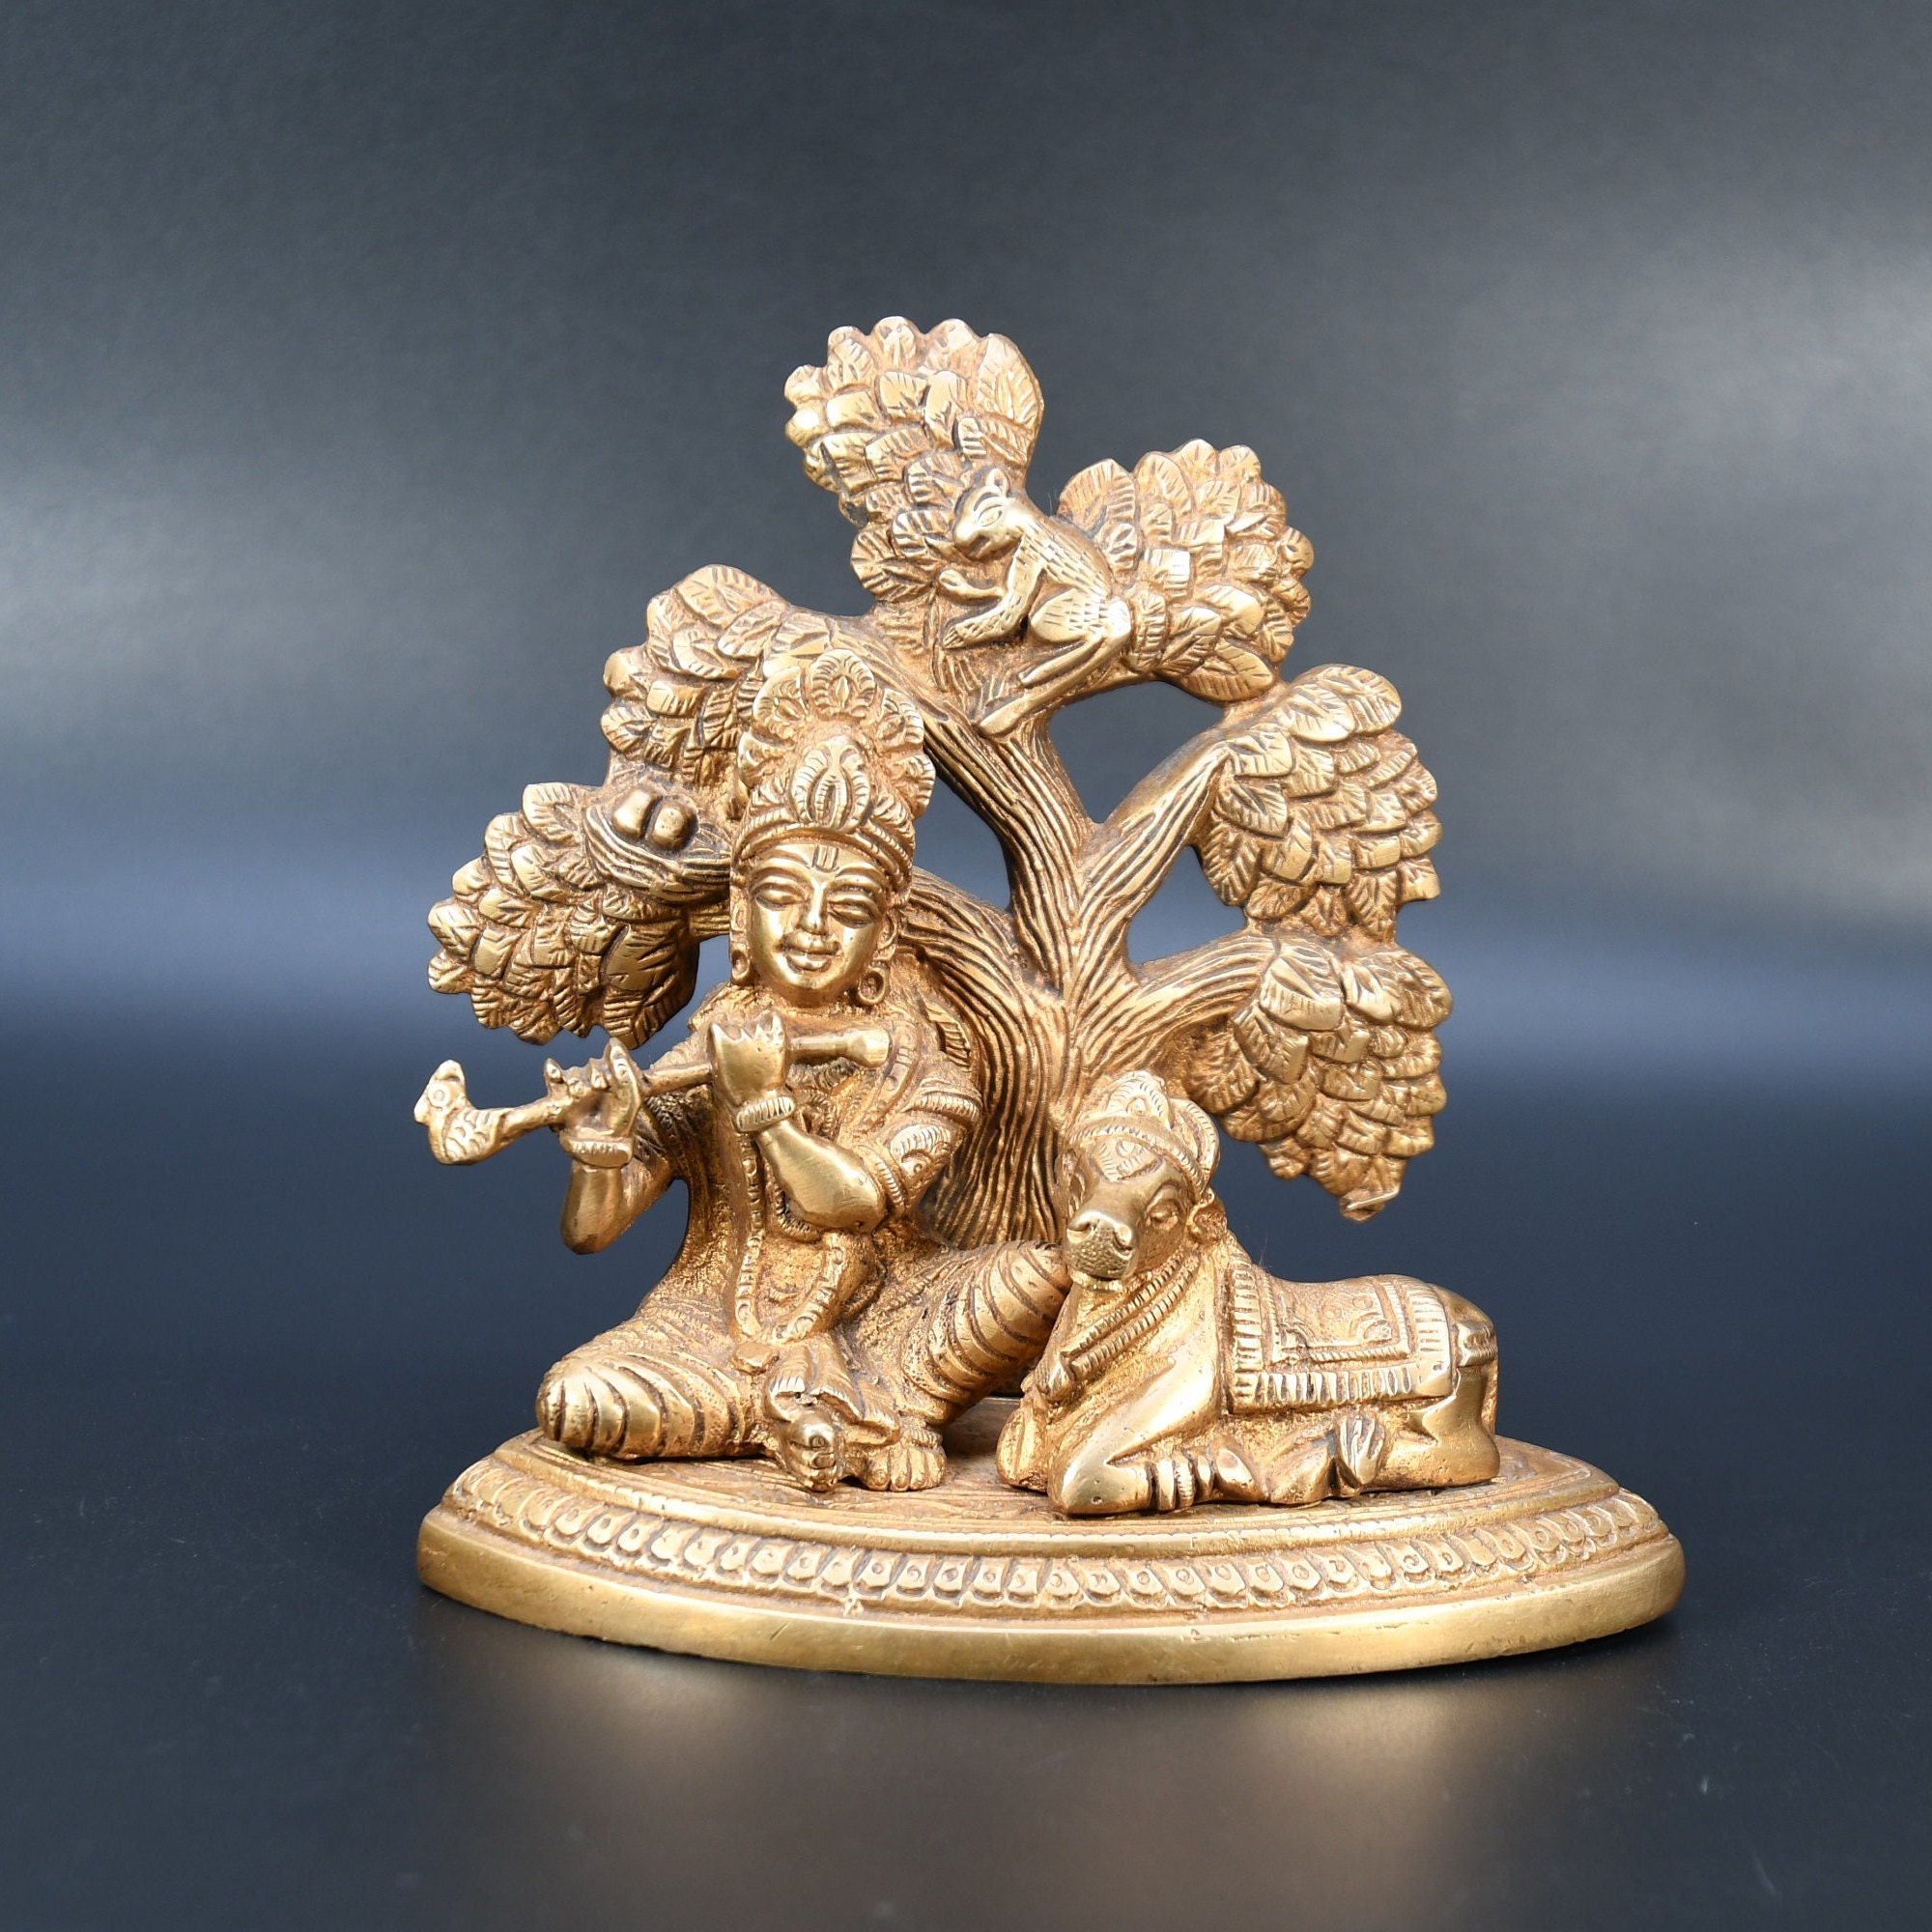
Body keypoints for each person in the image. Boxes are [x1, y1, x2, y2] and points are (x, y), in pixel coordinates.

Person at [535, 649, 1062, 1492]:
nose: (813, 926)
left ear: (885, 933)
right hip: (714, 1329)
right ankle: (814, 1420)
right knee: (580, 1399)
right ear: (741, 912)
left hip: (883, 1319)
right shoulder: (711, 1042)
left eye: (847, 908)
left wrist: (764, 1106)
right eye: (782, 896)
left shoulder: (924, 1067)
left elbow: (850, 1205)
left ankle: (866, 1408)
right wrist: (602, 1148)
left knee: (1034, 1281)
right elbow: (591, 1233)